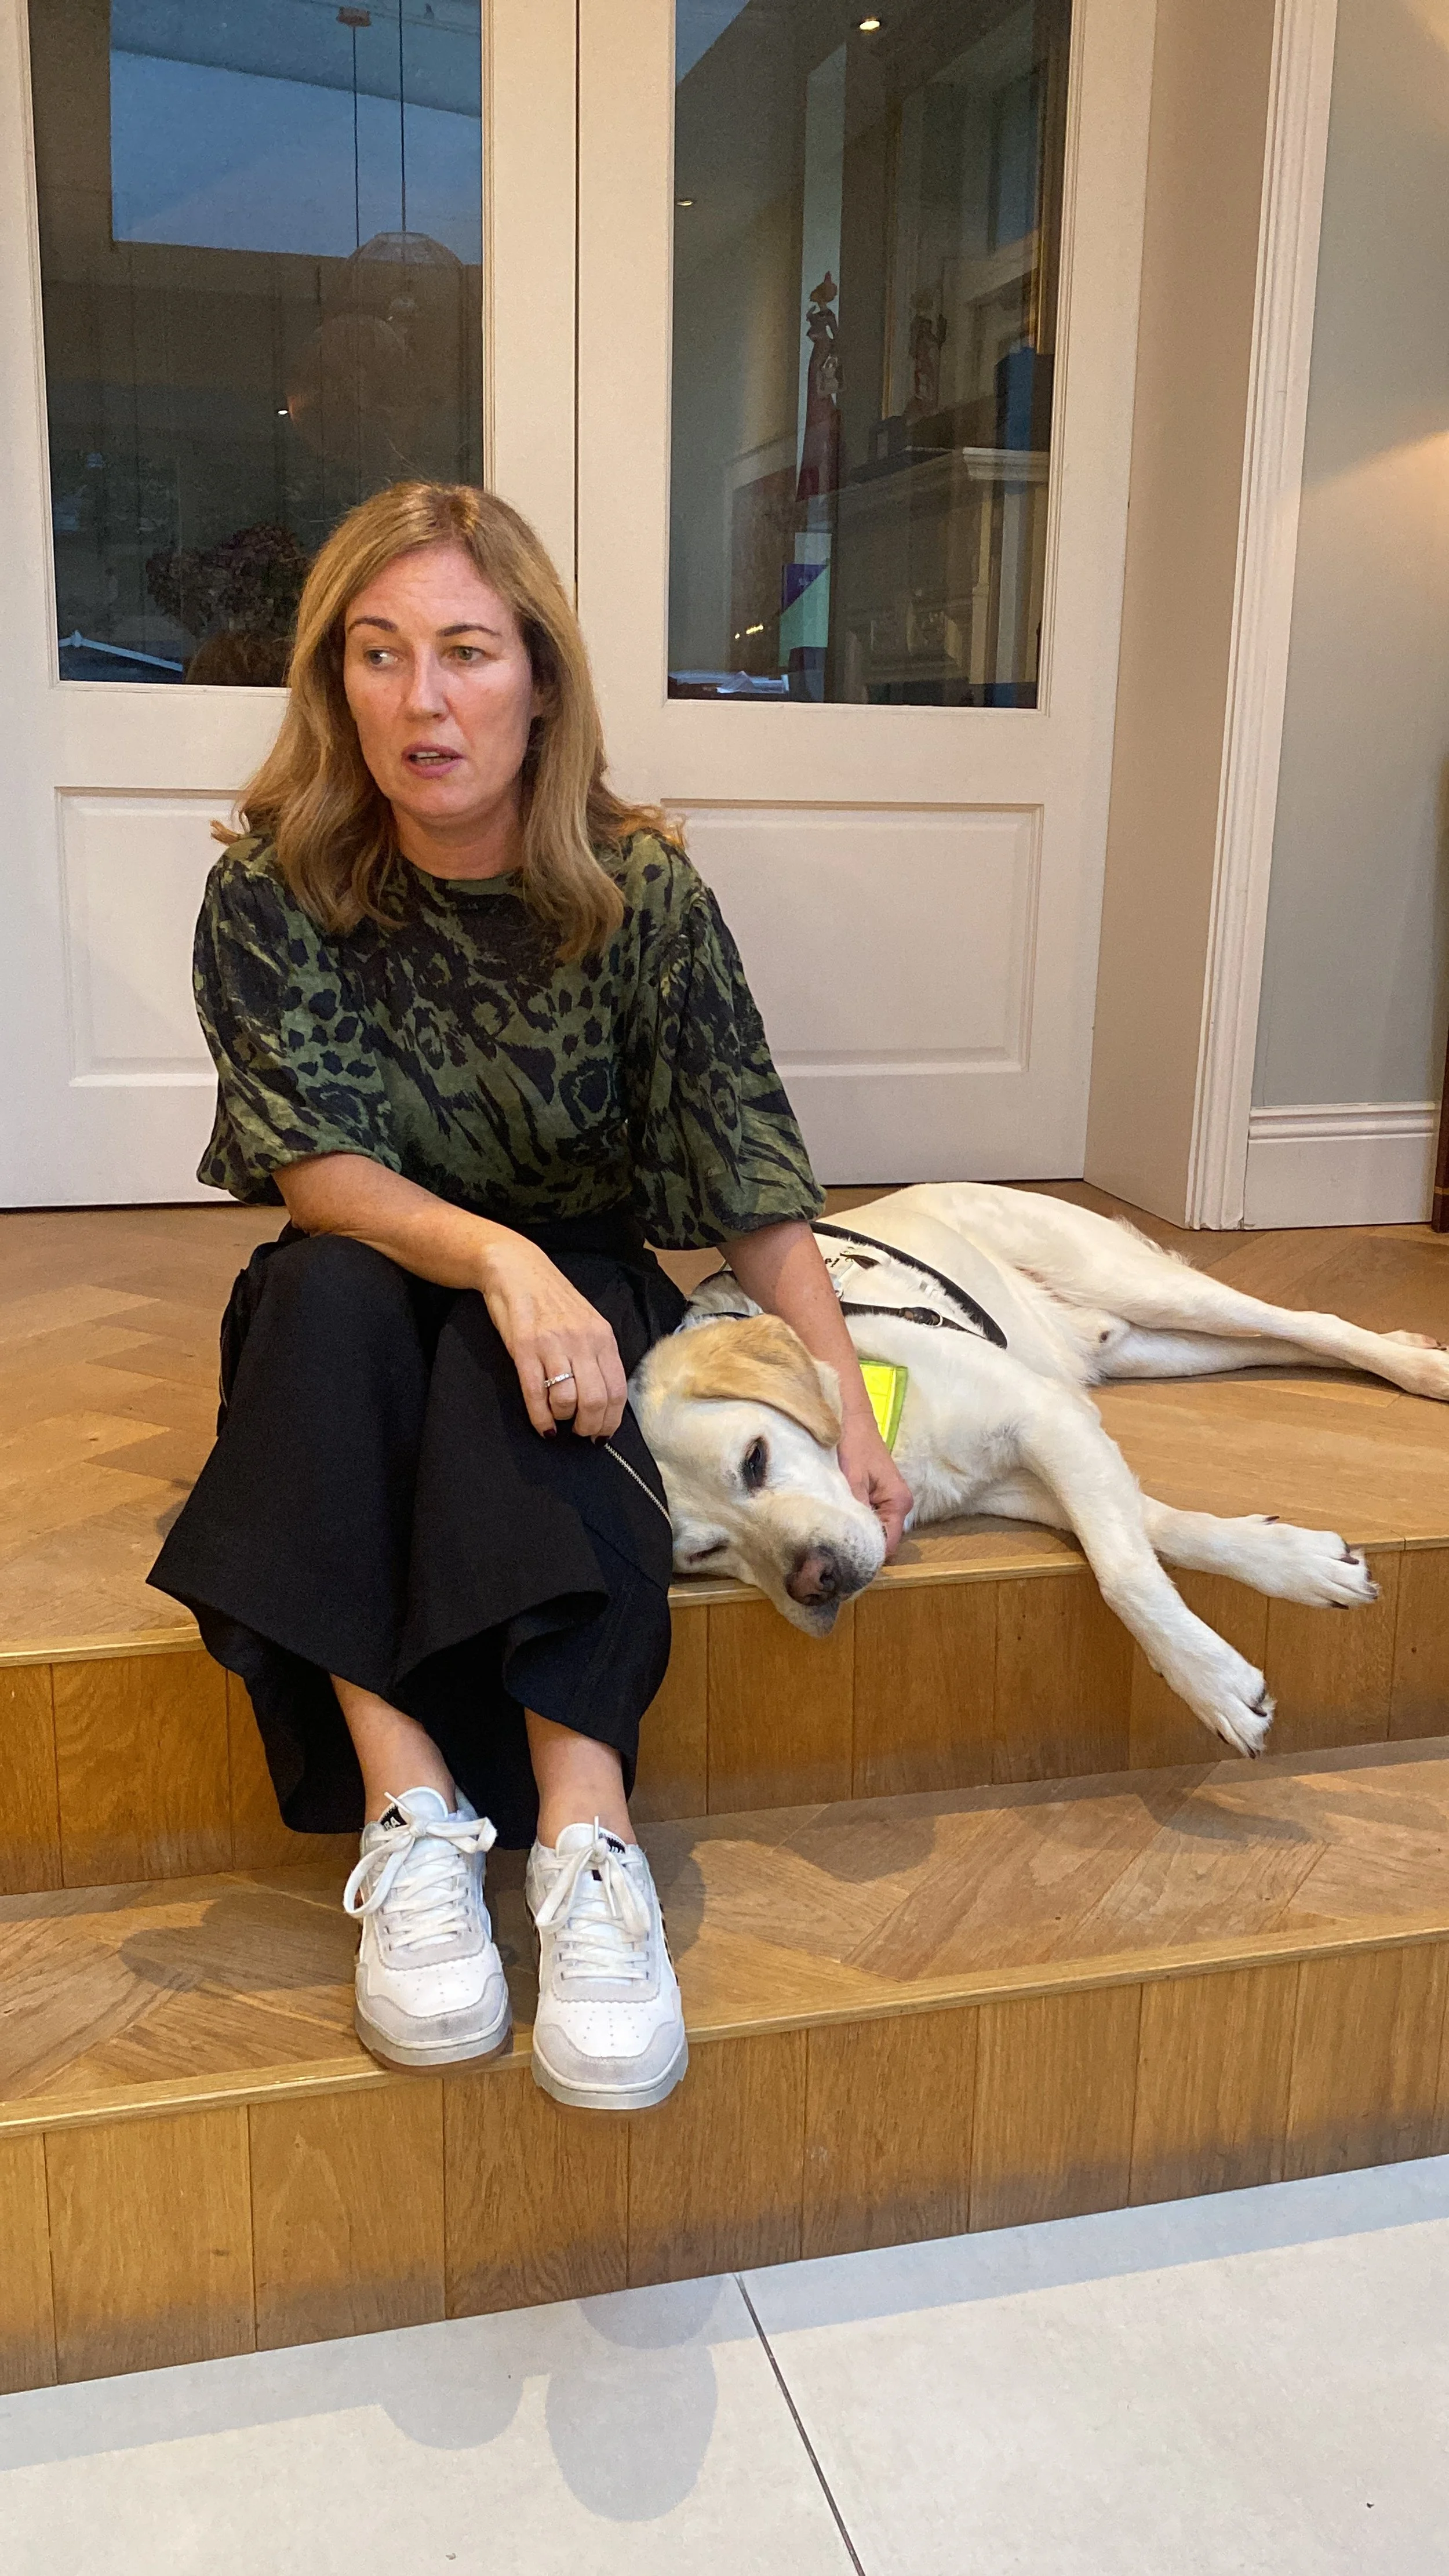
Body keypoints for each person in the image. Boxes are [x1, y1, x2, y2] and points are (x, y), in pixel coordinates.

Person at [150, 480, 912, 2113]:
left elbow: (752, 1185)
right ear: (330, 678)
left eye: (466, 652)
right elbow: (316, 1171)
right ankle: (410, 1817)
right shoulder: (269, 889)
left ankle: (585, 1840)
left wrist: (844, 1401)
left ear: (541, 681)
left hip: (578, 1306)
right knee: (332, 1293)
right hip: (363, 1293)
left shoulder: (650, 900)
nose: (421, 701)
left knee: (549, 1332)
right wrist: (494, 1256)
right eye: (377, 652)